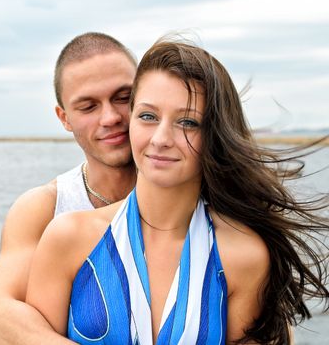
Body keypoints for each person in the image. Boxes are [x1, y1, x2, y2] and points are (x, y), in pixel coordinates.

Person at [26, 38, 329, 344]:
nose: (160, 138)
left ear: (214, 135)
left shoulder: (242, 256)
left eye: (187, 122)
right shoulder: (67, 238)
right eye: (147, 116)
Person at [0, 32, 138, 344]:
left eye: (123, 97)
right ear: (64, 118)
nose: (111, 117)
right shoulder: (44, 208)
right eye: (88, 106)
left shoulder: (192, 193)